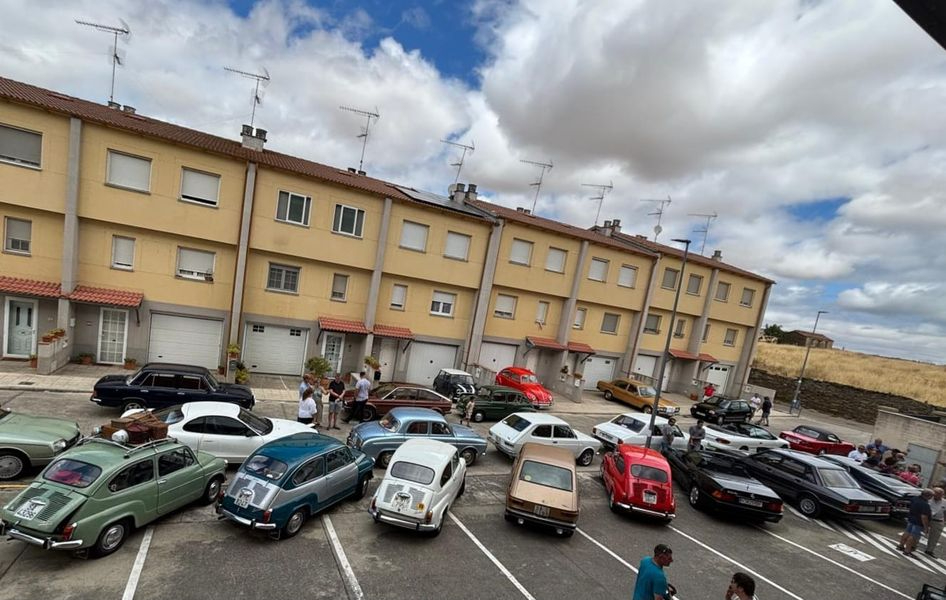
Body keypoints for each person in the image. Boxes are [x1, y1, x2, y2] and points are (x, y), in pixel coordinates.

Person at [899, 488, 933, 557]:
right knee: (913, 536)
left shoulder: (915, 499)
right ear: (928, 496)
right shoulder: (925, 504)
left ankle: (901, 545)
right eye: (931, 496)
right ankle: (907, 550)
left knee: (907, 532)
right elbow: (924, 516)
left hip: (911, 519)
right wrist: (926, 527)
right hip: (918, 522)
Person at [926, 487, 945, 558]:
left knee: (935, 536)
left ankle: (929, 550)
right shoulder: (928, 499)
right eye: (936, 493)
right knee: (917, 532)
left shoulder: (944, 502)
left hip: (938, 520)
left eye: (940, 494)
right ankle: (912, 545)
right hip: (927, 518)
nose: (937, 495)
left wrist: (944, 522)